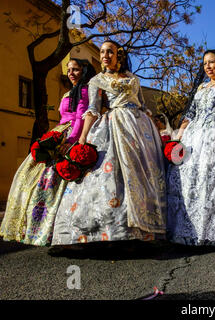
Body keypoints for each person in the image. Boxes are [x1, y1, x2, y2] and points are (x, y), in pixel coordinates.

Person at [51, 40, 166, 246]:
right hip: (115, 124)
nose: (105, 55)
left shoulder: (133, 78)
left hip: (141, 128)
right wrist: (84, 136)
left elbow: (142, 105)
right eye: (102, 52)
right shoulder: (97, 80)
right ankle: (114, 230)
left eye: (109, 52)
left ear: (118, 56)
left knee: (142, 175)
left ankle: (145, 230)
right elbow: (93, 109)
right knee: (113, 176)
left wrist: (156, 127)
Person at [0, 58, 95, 246]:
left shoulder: (84, 91)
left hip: (71, 134)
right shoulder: (69, 92)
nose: (71, 73)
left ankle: (52, 229)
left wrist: (70, 141)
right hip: (59, 132)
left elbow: (80, 118)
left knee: (53, 180)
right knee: (28, 175)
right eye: (69, 70)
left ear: (84, 72)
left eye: (75, 70)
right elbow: (62, 118)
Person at [166, 49, 215, 247]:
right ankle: (189, 231)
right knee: (192, 179)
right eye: (204, 64)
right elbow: (190, 114)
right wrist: (180, 134)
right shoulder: (201, 88)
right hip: (195, 137)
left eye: (211, 62)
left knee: (214, 181)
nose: (208, 67)